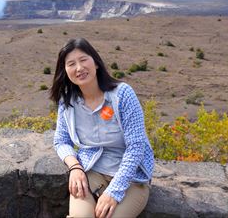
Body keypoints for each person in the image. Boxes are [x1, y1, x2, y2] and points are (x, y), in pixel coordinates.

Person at [50, 38, 154, 218]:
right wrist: (75, 167)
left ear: (96, 63)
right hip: (91, 172)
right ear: (65, 71)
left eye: (83, 60)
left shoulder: (122, 94)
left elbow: (136, 147)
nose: (79, 68)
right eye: (71, 64)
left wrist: (114, 192)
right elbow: (61, 141)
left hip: (131, 178)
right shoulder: (67, 102)